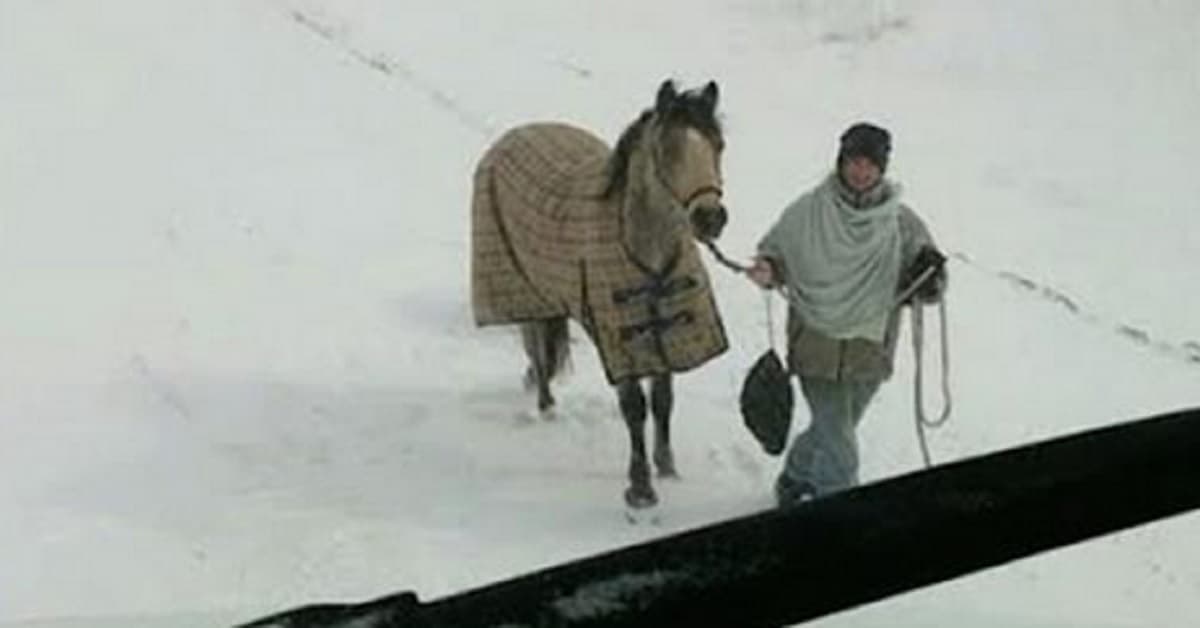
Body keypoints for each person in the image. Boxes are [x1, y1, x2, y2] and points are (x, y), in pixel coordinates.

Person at [747, 122, 946, 506]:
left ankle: (794, 477)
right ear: (841, 161)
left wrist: (931, 278)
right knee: (839, 439)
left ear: (882, 168)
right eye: (854, 161)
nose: (861, 171)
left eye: (870, 164)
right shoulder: (808, 211)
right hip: (815, 343)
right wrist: (770, 269)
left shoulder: (900, 222)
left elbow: (925, 276)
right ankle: (840, 514)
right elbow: (777, 253)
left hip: (869, 350)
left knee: (834, 427)